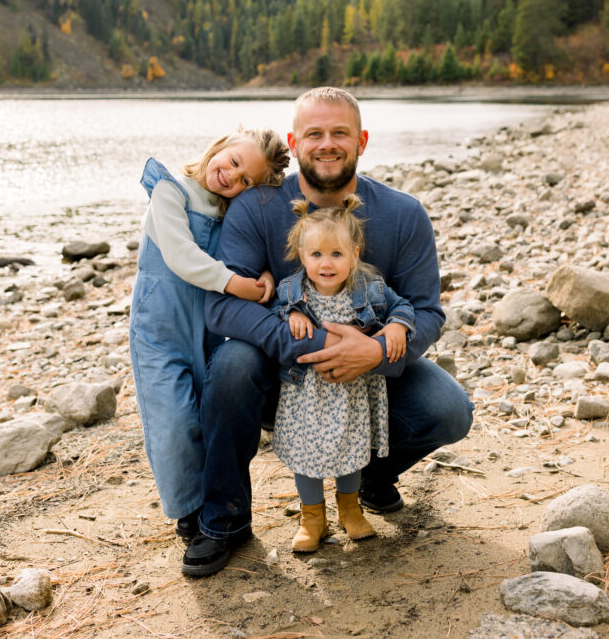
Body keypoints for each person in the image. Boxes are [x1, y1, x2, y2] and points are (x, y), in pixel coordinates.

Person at [182, 87, 473, 578]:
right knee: (231, 365)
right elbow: (224, 308)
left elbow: (426, 312)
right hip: (285, 376)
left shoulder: (404, 214)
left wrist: (377, 351)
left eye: (340, 133)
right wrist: (317, 346)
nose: (327, 143)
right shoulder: (257, 206)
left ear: (361, 141)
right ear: (295, 143)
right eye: (314, 133)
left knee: (449, 411)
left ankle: (366, 479)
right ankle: (224, 521)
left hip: (369, 378)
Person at [129, 128, 290, 540]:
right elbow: (182, 256)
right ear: (219, 146)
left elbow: (252, 252)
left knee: (205, 416)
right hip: (160, 328)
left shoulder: (231, 211)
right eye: (233, 162)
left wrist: (266, 273)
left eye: (245, 182)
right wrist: (235, 284)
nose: (231, 179)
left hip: (207, 330)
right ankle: (187, 509)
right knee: (173, 421)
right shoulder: (171, 191)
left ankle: (212, 506)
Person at [273, 195, 415, 552]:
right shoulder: (293, 290)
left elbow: (404, 306)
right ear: (302, 255)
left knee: (350, 448)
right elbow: (276, 308)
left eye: (336, 254)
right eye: (316, 255)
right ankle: (312, 519)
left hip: (353, 389)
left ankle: (349, 509)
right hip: (306, 391)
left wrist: (397, 326)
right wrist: (292, 314)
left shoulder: (369, 287)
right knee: (305, 453)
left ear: (355, 253)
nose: (326, 263)